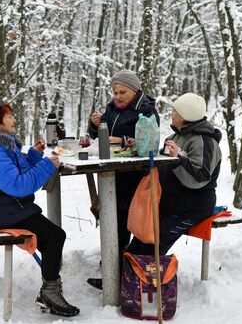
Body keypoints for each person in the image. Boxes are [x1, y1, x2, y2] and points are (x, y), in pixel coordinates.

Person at [0, 102, 80, 317]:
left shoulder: (1, 147)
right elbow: (18, 186)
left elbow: (12, 170)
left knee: (51, 237)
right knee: (54, 236)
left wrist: (33, 157)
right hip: (4, 212)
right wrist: (46, 165)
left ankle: (51, 284)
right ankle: (50, 292)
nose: (14, 120)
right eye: (8, 117)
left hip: (10, 207)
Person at [86, 70, 160, 289]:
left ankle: (119, 273)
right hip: (113, 172)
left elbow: (150, 141)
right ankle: (113, 269)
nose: (117, 96)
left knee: (123, 220)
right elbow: (98, 136)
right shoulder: (111, 109)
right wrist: (95, 124)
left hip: (135, 175)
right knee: (111, 217)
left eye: (122, 92)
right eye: (115, 92)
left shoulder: (146, 110)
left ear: (134, 90)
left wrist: (122, 139)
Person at [126, 93, 222, 255]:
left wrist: (178, 157)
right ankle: (123, 277)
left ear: (186, 116)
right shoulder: (174, 137)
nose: (172, 114)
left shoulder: (205, 141)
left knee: (152, 243)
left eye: (175, 112)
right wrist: (140, 144)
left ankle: (143, 278)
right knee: (140, 238)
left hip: (191, 208)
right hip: (170, 205)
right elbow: (159, 161)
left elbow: (199, 178)